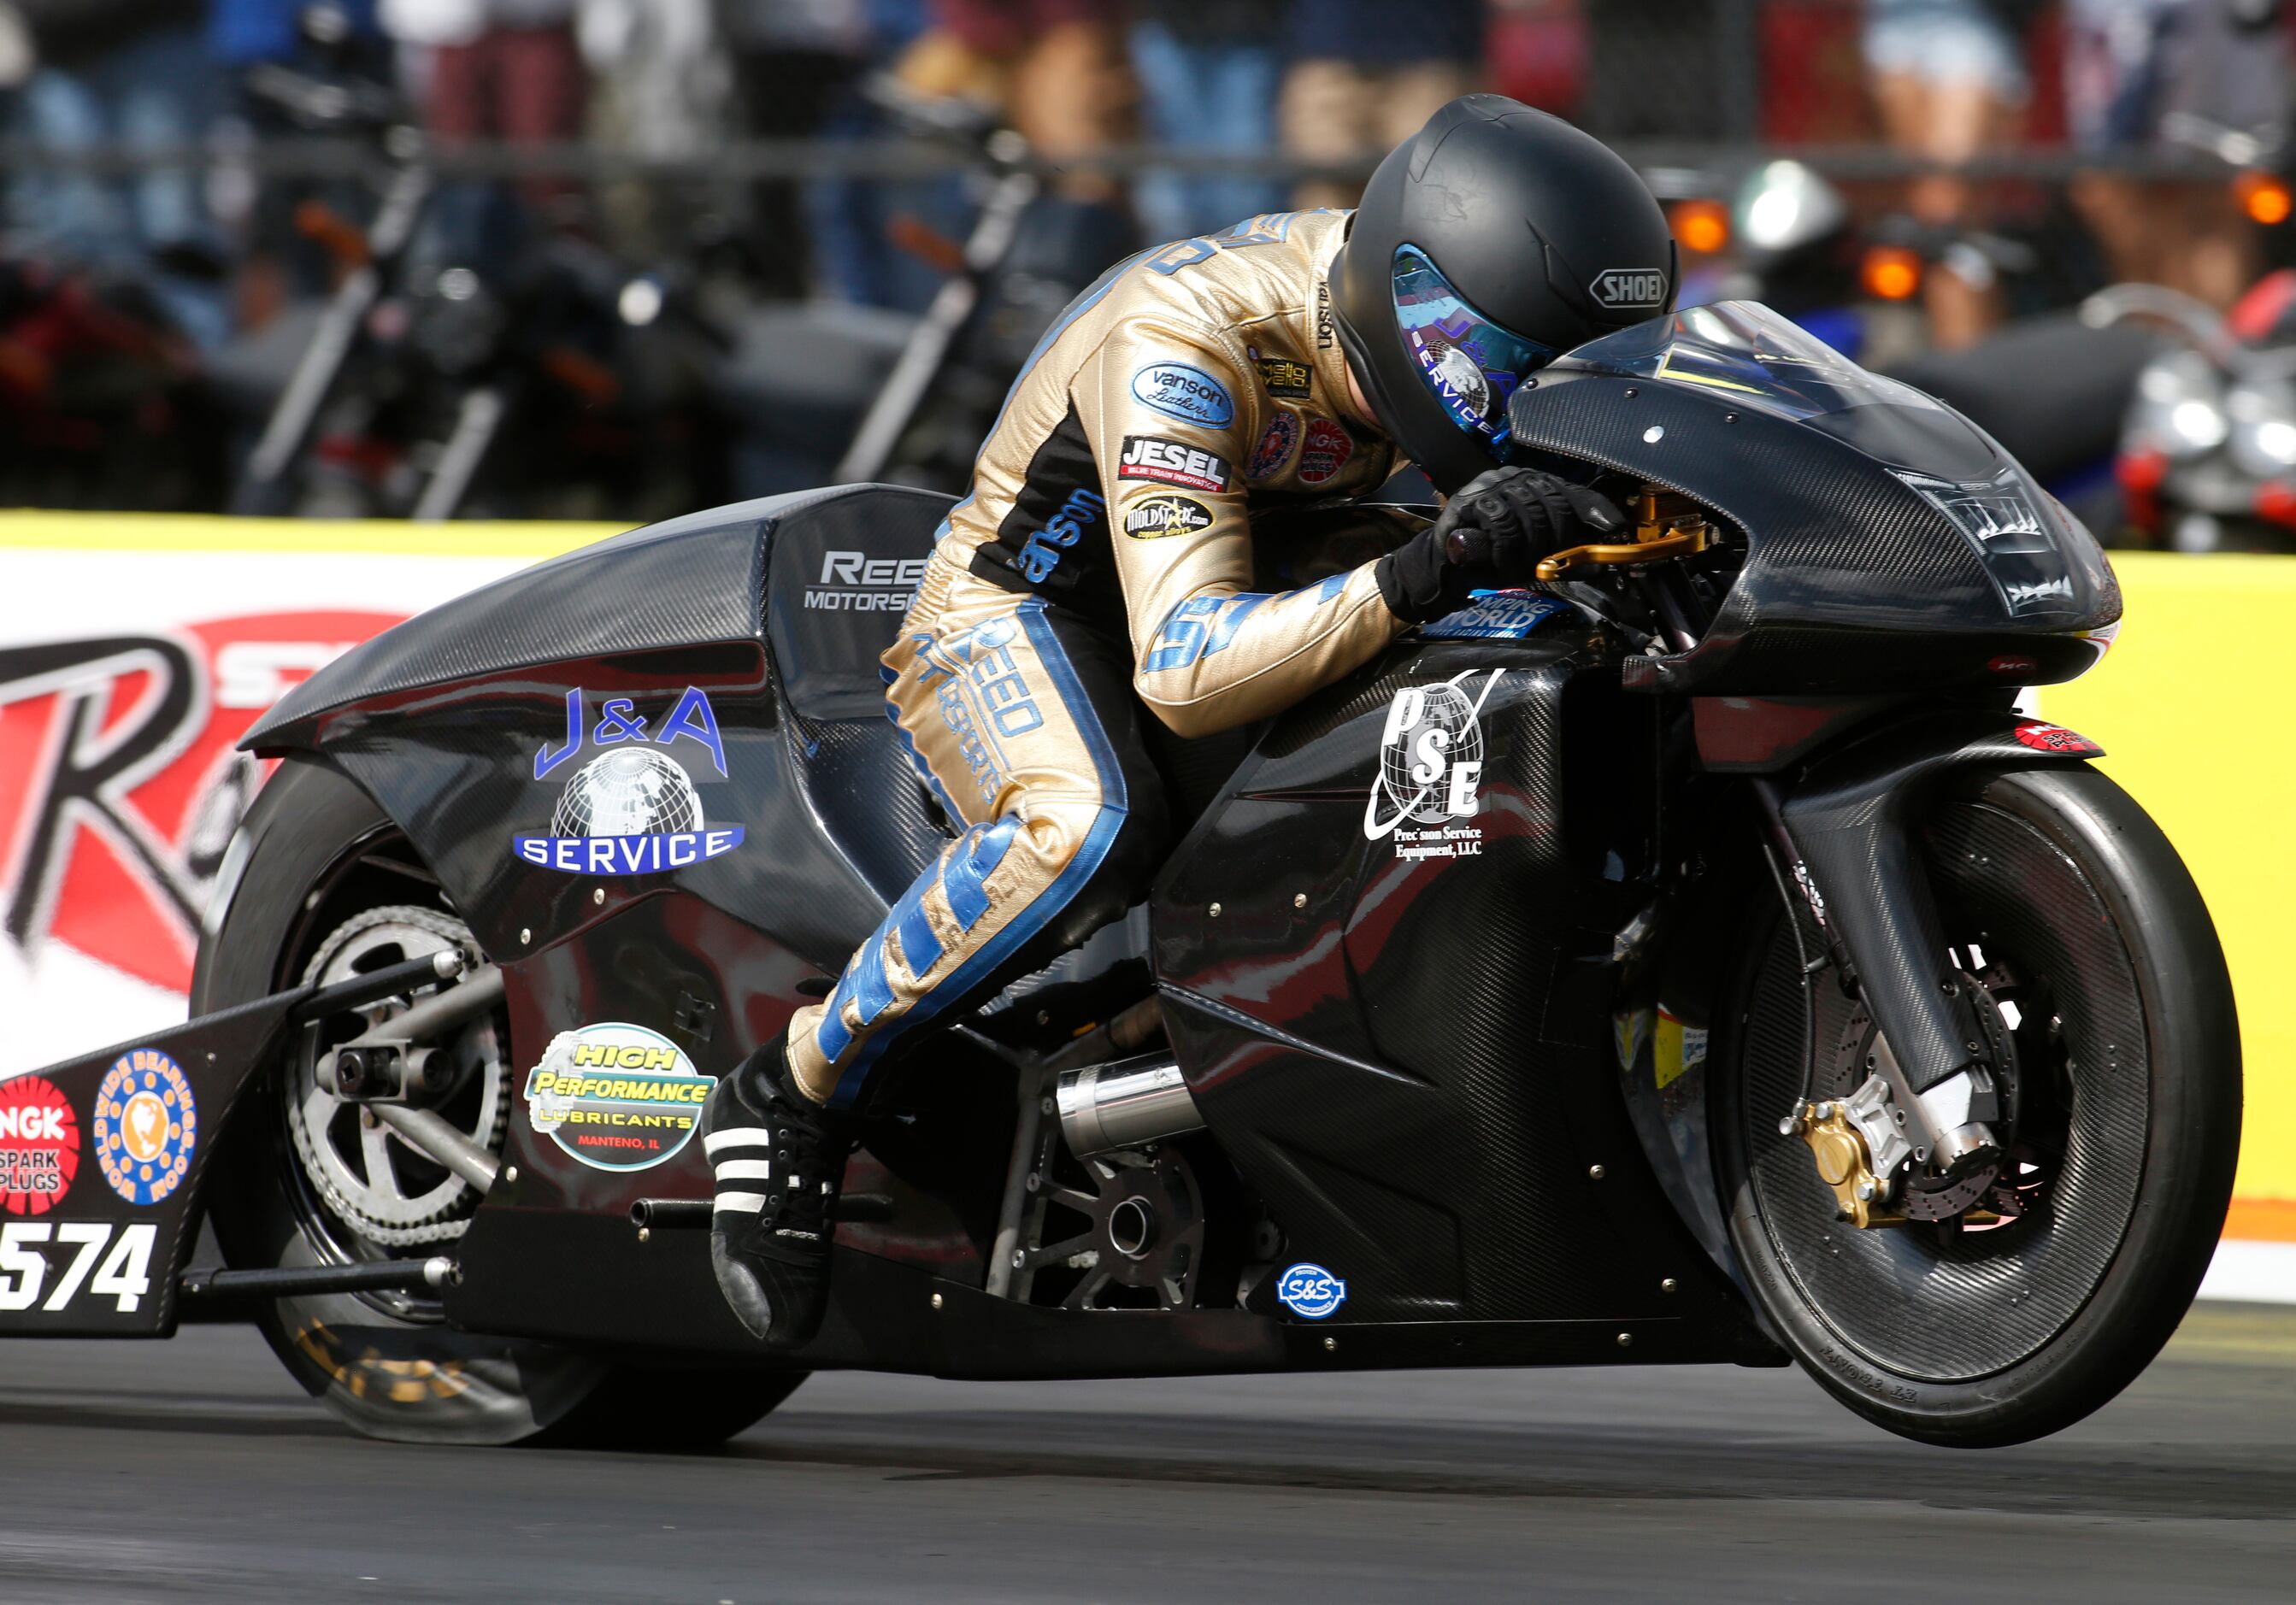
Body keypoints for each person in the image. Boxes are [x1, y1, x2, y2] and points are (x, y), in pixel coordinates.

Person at [701, 95, 1672, 1346]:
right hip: (1034, 614)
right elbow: (1185, 667)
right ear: (1415, 309)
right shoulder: (1183, 339)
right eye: (1503, 365)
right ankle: (791, 1087)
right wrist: (1418, 573)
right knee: (1088, 825)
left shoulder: (1411, 300)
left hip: (1265, 568)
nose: (1518, 399)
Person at [1860, 0, 2032, 349]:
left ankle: (1968, 378)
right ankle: (1967, 369)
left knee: (1947, 214)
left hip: (1972, 22)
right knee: (1935, 225)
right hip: (1892, 20)